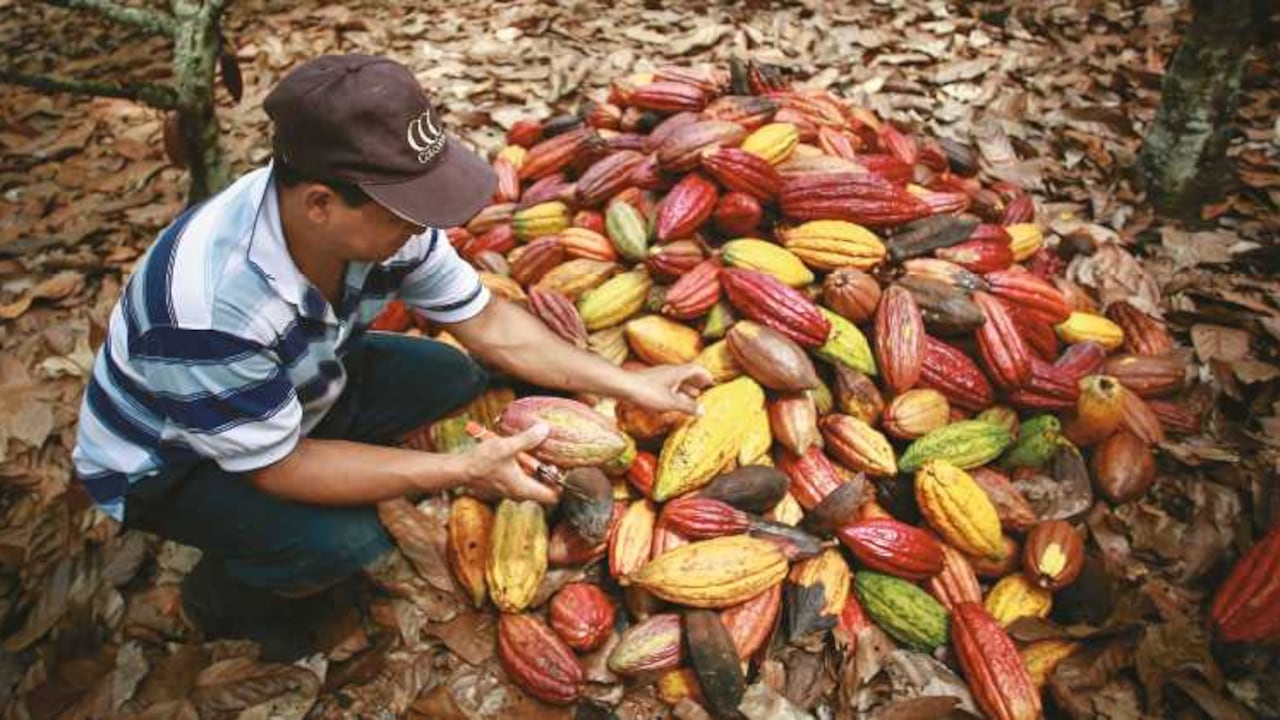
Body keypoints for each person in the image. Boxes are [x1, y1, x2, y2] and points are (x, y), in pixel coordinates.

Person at [71, 54, 711, 657]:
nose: (423, 227)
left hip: (299, 382)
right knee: (350, 542)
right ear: (320, 203)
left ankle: (334, 454)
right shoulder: (207, 309)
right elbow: (282, 467)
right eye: (407, 211)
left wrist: (633, 383)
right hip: (171, 462)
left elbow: (490, 322)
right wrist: (460, 470)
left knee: (455, 374)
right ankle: (216, 600)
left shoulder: (382, 222)